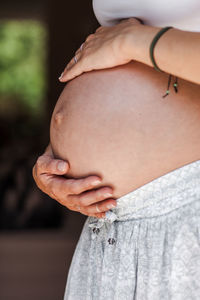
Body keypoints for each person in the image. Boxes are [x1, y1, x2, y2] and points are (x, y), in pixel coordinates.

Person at [33, 0, 200, 299]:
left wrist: (131, 41)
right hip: (107, 229)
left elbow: (121, 42)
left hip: (185, 207)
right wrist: (58, 157)